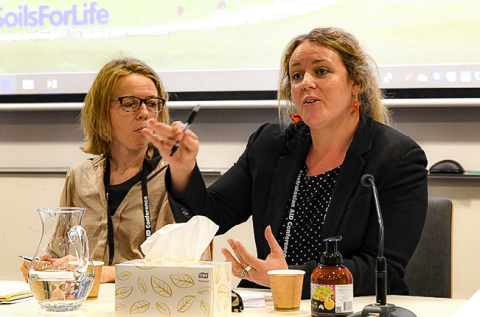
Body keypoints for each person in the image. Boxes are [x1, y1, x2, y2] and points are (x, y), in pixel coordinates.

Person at [141, 27, 428, 299]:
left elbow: (381, 269)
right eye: (297, 75)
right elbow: (208, 218)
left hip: (348, 306)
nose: (306, 83)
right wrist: (182, 166)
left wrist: (287, 277)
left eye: (321, 71)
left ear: (356, 83)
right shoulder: (270, 144)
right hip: (270, 302)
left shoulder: (396, 157)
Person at [21, 57, 175, 283]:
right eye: (130, 103)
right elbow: (61, 254)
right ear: (102, 112)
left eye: (152, 103)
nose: (144, 113)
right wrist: (45, 267)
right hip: (88, 306)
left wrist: (104, 273)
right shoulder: (80, 176)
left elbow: (182, 267)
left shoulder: (173, 177)